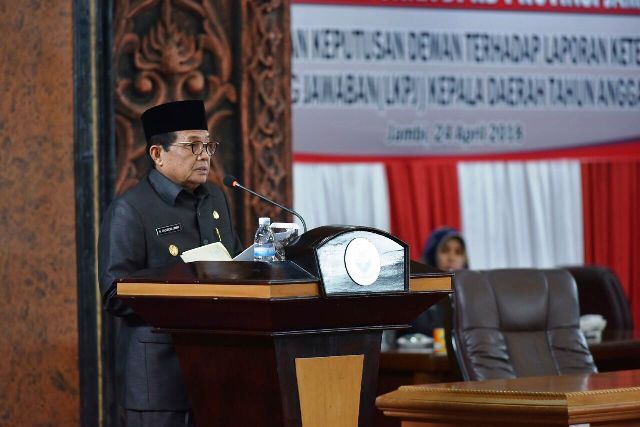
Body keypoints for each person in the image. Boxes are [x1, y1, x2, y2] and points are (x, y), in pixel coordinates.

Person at [98, 100, 243, 426]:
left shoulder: (215, 199)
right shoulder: (131, 210)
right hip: (160, 376)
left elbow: (233, 262)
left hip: (216, 368)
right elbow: (113, 293)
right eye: (192, 146)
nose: (204, 155)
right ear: (157, 154)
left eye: (208, 145)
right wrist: (180, 289)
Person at [405, 227, 468, 337]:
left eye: (458, 252)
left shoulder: (470, 294)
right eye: (445, 251)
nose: (452, 258)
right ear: (432, 255)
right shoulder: (414, 291)